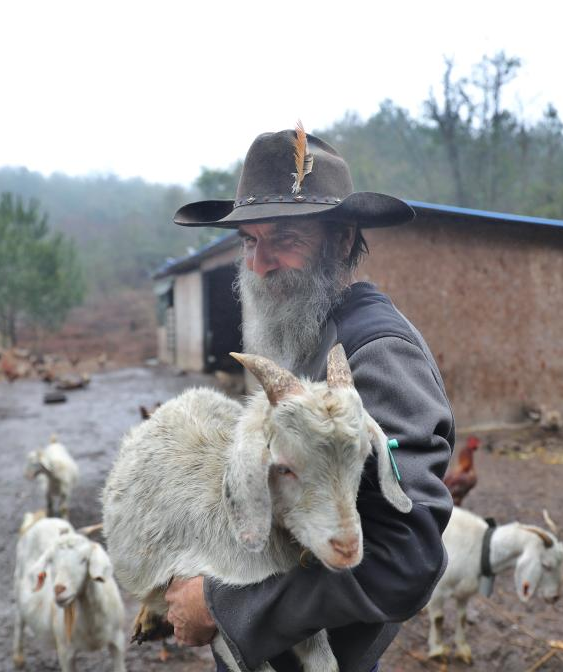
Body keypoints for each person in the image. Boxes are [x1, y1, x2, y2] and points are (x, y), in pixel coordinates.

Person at [165, 124, 455, 672]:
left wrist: (222, 602)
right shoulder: (310, 336)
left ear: (342, 240)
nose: (259, 262)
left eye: (285, 239)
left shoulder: (377, 356)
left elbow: (404, 561)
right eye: (250, 240)